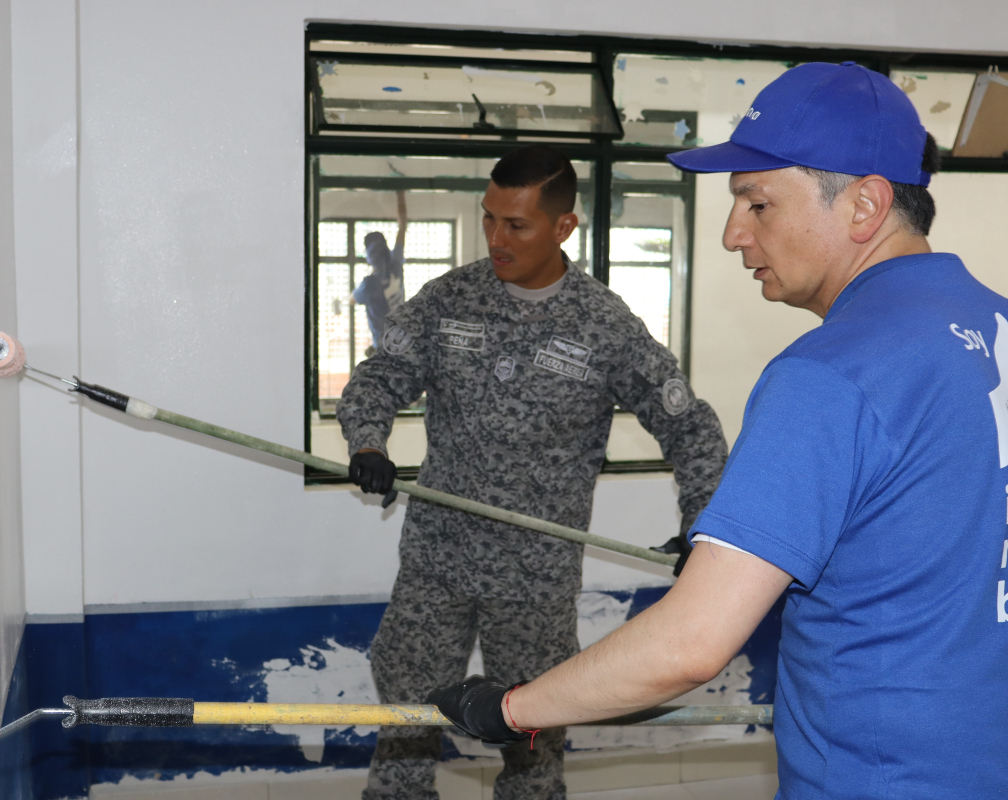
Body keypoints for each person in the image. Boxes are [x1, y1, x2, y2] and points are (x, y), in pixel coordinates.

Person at [428, 62, 1008, 799]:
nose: (734, 234)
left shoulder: (832, 373)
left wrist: (510, 708)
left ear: (866, 204)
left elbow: (691, 646)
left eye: (757, 203)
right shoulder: (997, 326)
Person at [338, 144, 728, 800]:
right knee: (404, 723)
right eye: (488, 218)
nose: (495, 237)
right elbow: (375, 381)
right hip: (436, 564)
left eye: (514, 224)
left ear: (563, 227)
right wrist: (369, 444)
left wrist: (703, 525)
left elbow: (692, 429)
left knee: (534, 747)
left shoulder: (604, 327)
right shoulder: (449, 300)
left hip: (536, 582)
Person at [352, 191, 408, 356]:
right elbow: (403, 227)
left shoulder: (369, 284)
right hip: (402, 339)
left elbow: (352, 299)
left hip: (383, 344)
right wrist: (400, 194)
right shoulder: (396, 264)